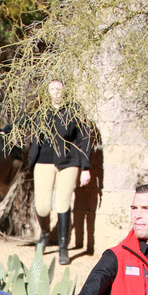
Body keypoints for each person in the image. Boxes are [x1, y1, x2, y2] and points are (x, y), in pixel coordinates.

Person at [28, 80, 92, 265]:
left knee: (63, 203)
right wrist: (5, 132)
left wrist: (85, 168)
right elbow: (22, 125)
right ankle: (45, 233)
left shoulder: (74, 109)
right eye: (52, 89)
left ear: (65, 90)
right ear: (47, 92)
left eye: (58, 89)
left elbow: (84, 138)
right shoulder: (40, 110)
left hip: (68, 162)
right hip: (43, 161)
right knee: (42, 206)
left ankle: (63, 249)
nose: (55, 92)